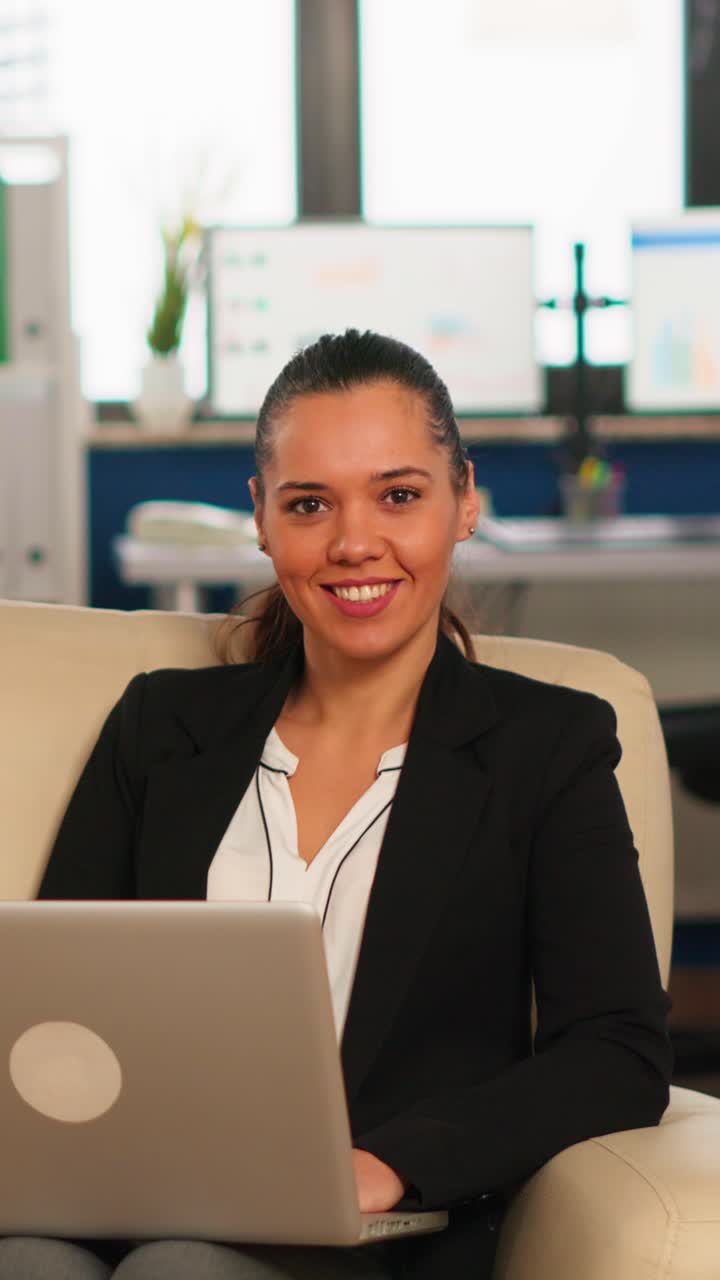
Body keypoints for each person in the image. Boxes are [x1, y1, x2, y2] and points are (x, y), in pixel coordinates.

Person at [7, 329, 672, 1280]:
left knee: (180, 1269)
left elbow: (616, 1050)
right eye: (310, 504)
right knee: (31, 1258)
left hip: (376, 1233)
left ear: (465, 501)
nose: (355, 542)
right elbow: (51, 999)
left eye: (398, 495)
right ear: (262, 517)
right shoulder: (161, 725)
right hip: (142, 1194)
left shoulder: (548, 747)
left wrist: (392, 1163)